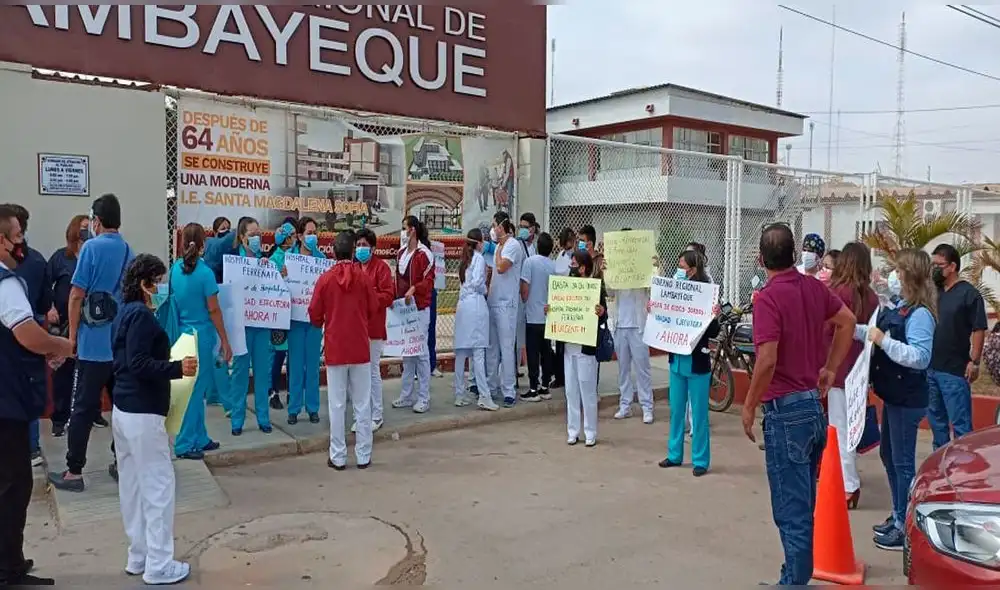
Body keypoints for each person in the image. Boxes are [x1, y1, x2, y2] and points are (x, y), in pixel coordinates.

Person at [741, 223, 855, 586]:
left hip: (785, 412)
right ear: (794, 255)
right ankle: (793, 575)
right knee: (802, 507)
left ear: (760, 259)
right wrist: (830, 368)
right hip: (810, 407)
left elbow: (768, 359)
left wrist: (748, 404)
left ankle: (795, 582)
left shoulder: (768, 299)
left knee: (792, 512)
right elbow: (847, 321)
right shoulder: (813, 288)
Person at [111, 253, 197, 585]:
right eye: (159, 281)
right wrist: (178, 368)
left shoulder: (124, 315)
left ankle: (140, 554)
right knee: (159, 486)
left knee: (132, 485)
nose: (163, 287)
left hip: (124, 409)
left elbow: (123, 363)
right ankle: (159, 564)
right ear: (146, 284)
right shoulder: (144, 319)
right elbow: (139, 363)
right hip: (143, 412)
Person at [0, 206, 70, 586]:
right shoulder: (6, 285)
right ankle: (7, 569)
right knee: (14, 484)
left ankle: (9, 559)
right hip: (7, 398)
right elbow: (28, 334)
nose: (22, 244)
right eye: (18, 237)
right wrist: (64, 346)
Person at [50, 193, 133, 493]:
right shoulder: (128, 251)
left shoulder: (91, 249)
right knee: (122, 407)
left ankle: (74, 472)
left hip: (92, 345)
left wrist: (71, 337)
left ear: (96, 221)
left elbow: (75, 295)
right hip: (119, 344)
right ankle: (122, 464)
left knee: (83, 407)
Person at [865, 248, 936, 551]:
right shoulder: (902, 308)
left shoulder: (920, 315)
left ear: (910, 275)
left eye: (899, 270)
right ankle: (897, 515)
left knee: (903, 462)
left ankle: (905, 527)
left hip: (908, 399)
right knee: (889, 456)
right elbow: (874, 332)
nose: (894, 275)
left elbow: (919, 357)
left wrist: (884, 341)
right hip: (896, 395)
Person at [309, 232, 378, 470]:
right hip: (360, 346)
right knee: (362, 403)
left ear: (332, 252)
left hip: (336, 347)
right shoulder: (363, 277)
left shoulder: (325, 279)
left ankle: (337, 456)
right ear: (352, 252)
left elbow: (314, 314)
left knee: (337, 404)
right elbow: (373, 308)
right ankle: (363, 455)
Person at [170, 223, 232, 459]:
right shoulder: (205, 273)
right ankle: (185, 443)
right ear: (203, 244)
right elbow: (214, 310)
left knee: (191, 389)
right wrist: (225, 340)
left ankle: (200, 436)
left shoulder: (176, 269)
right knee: (196, 392)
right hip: (202, 336)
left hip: (182, 334)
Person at [825, 242, 879, 508]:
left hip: (836, 368)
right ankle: (847, 479)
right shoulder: (871, 296)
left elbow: (824, 329)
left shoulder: (836, 292)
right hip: (859, 369)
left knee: (838, 428)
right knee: (850, 427)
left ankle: (848, 484)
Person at [659, 250, 720, 476]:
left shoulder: (707, 293)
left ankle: (700, 460)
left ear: (693, 270)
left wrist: (714, 315)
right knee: (676, 411)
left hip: (698, 363)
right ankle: (674, 454)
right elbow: (664, 319)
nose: (679, 271)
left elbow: (714, 330)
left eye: (682, 267)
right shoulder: (674, 291)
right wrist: (655, 310)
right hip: (677, 361)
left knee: (699, 414)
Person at [2, 204, 52, 467]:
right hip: (25, 339)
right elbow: (44, 303)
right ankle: (31, 448)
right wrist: (61, 346)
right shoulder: (34, 262)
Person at [928, 243, 986, 450]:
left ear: (952, 266)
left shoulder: (969, 294)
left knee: (961, 428)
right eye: (932, 264)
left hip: (954, 371)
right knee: (937, 426)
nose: (934, 269)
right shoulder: (934, 292)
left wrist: (975, 361)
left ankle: (964, 472)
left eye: (939, 265)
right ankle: (940, 468)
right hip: (931, 369)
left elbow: (979, 328)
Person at [550, 249, 607, 447]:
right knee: (571, 391)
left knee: (587, 390)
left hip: (585, 348)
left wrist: (601, 312)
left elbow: (603, 314)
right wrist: (551, 310)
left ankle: (590, 431)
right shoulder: (565, 287)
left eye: (573, 265)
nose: (570, 268)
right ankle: (572, 430)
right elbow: (558, 308)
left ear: (582, 267)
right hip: (568, 348)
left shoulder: (595, 288)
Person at [227, 217, 275, 436]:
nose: (256, 238)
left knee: (262, 373)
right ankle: (237, 418)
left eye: (259, 234)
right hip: (241, 326)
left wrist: (271, 271)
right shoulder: (234, 262)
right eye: (252, 234)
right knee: (239, 373)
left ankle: (263, 417)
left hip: (261, 323)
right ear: (242, 237)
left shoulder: (264, 261)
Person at [47, 214, 90, 438]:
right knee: (63, 372)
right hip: (64, 322)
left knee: (87, 372)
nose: (85, 232)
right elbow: (46, 284)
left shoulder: (92, 256)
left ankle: (89, 414)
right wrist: (49, 307)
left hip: (89, 322)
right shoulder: (60, 258)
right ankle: (59, 418)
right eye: (82, 229)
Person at [391, 216, 435, 414]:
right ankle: (407, 395)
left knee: (421, 353)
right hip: (404, 309)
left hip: (420, 309)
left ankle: (424, 397)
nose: (402, 232)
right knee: (407, 353)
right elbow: (397, 281)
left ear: (413, 231)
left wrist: (414, 289)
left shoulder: (424, 254)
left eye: (404, 228)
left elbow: (429, 282)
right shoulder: (401, 253)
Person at [354, 228, 395, 431]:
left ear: (372, 248)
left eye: (364, 245)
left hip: (374, 328)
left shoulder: (381, 268)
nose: (361, 249)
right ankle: (361, 416)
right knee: (357, 375)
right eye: (358, 245)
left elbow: (388, 296)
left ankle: (376, 415)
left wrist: (369, 296)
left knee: (371, 372)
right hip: (355, 329)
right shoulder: (353, 268)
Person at [287, 218, 327, 426]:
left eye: (315, 232)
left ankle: (312, 407)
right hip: (294, 319)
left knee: (312, 365)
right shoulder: (289, 258)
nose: (313, 236)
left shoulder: (321, 260)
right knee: (295, 365)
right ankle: (294, 408)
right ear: (300, 236)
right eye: (308, 232)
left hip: (313, 320)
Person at [612, 228, 654, 424]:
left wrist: (654, 267)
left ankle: (647, 406)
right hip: (621, 324)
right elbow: (611, 293)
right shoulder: (615, 265)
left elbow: (652, 286)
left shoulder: (644, 264)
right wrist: (607, 271)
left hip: (638, 325)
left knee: (642, 367)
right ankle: (625, 405)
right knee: (623, 368)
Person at [454, 228, 497, 410]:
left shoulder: (465, 259)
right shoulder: (479, 258)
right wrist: (485, 288)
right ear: (479, 242)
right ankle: (484, 395)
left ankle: (459, 394)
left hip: (463, 306)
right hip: (476, 306)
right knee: (479, 353)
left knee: (461, 352)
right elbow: (479, 283)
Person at [486, 212, 525, 408]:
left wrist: (500, 247)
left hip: (506, 304)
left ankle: (509, 390)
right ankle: (492, 387)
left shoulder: (512, 246)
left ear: (502, 226)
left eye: (495, 225)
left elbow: (502, 267)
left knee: (506, 348)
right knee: (492, 348)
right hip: (494, 301)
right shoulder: (499, 247)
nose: (493, 230)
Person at [520, 232, 556, 402]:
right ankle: (545, 387)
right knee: (546, 352)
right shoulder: (553, 266)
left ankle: (533, 388)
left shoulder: (530, 262)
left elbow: (525, 288)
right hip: (547, 315)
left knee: (533, 353)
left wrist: (524, 299)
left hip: (533, 315)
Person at [267, 221, 298, 411]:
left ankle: (292, 392)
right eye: (293, 235)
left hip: (296, 314)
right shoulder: (274, 260)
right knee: (278, 355)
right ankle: (273, 392)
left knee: (293, 356)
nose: (295, 238)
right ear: (286, 238)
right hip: (280, 316)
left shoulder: (297, 258)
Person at [550, 227, 576, 390]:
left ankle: (568, 376)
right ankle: (559, 376)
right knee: (559, 344)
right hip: (560, 302)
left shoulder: (575, 257)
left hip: (571, 303)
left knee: (569, 345)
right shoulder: (560, 255)